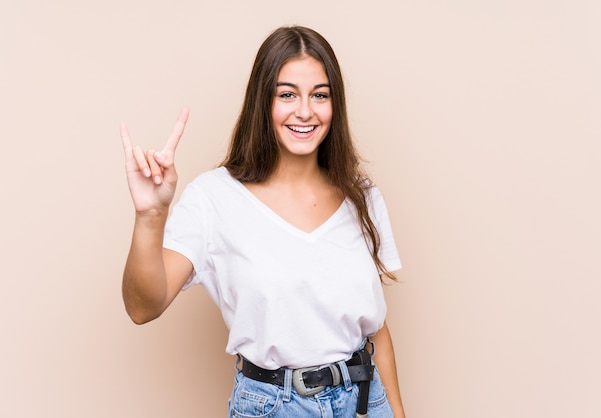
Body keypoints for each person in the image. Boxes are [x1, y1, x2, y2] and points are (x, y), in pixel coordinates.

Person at [120, 25, 406, 417]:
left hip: (363, 401)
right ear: (262, 101)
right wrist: (150, 216)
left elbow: (377, 330)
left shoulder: (363, 196)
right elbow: (142, 307)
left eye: (319, 95)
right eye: (286, 94)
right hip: (275, 406)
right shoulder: (213, 198)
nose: (304, 111)